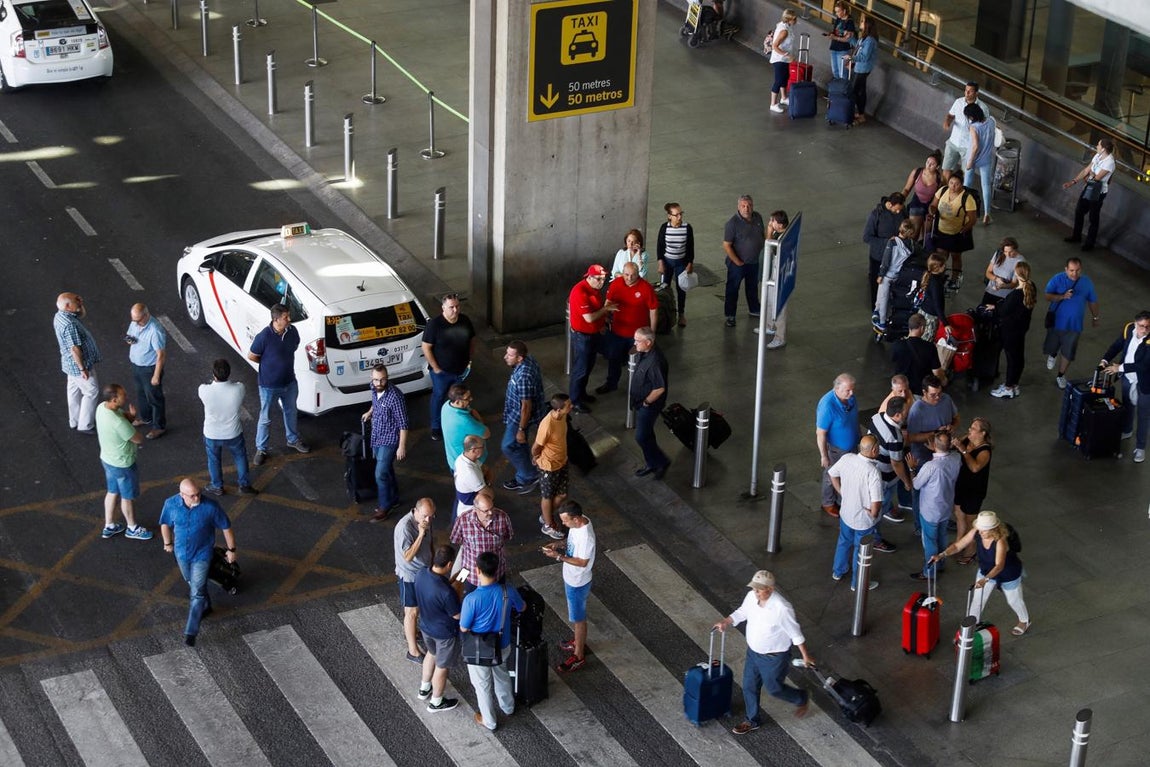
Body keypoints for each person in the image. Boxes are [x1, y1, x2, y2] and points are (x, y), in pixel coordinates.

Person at [715, 570, 814, 735]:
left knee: (774, 688)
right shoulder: (751, 597)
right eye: (754, 588)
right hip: (753, 653)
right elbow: (742, 612)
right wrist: (726, 621)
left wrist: (805, 656)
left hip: (774, 658)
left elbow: (795, 634)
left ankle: (800, 697)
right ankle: (752, 720)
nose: (755, 591)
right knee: (749, 686)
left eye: (759, 589)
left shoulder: (782, 608)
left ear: (771, 589)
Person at [159, 478, 236, 647]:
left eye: (198, 494)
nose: (197, 498)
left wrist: (231, 550)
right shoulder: (171, 504)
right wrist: (167, 543)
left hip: (202, 555)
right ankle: (206, 606)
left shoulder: (211, 507)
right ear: (182, 495)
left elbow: (226, 526)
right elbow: (164, 523)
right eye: (192, 496)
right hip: (181, 555)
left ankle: (191, 631)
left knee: (197, 591)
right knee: (191, 581)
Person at [931, 511, 1030, 636]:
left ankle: (1024, 621)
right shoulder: (977, 531)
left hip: (1008, 573)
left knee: (1014, 600)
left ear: (993, 529)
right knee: (977, 600)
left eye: (984, 530)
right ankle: (972, 625)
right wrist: (942, 555)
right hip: (986, 570)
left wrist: (985, 580)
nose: (980, 532)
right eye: (979, 528)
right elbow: (958, 545)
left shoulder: (1000, 542)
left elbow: (999, 566)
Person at [460, 551, 525, 731]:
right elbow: (522, 607)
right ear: (497, 570)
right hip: (502, 645)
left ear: (477, 570)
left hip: (479, 649)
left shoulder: (471, 599)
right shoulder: (508, 590)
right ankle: (508, 707)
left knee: (482, 685)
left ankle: (489, 720)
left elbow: (464, 628)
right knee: (502, 674)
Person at [248, 303, 309, 465]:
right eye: (285, 317)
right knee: (265, 417)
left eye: (288, 316)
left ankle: (293, 439)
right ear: (276, 319)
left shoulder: (292, 332)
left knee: (291, 411)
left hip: (289, 381)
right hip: (268, 385)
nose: (289, 319)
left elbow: (294, 346)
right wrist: (268, 364)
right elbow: (252, 355)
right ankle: (261, 448)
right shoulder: (263, 337)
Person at [542, 500, 596, 673]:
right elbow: (572, 540)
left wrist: (558, 557)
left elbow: (582, 562)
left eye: (565, 521)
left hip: (578, 581)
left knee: (578, 618)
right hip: (571, 577)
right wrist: (558, 544)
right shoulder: (579, 524)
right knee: (576, 616)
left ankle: (579, 655)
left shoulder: (587, 538)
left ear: (577, 518)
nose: (563, 524)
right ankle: (577, 641)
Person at [829, 436, 888, 591]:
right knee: (861, 552)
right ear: (874, 450)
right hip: (864, 520)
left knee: (843, 542)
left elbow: (832, 473)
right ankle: (858, 583)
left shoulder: (847, 458)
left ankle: (838, 571)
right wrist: (874, 514)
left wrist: (841, 491)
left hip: (846, 513)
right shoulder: (873, 471)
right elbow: (876, 501)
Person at [95, 383, 153, 541]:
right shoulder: (118, 424)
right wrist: (132, 424)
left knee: (112, 491)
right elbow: (138, 439)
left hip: (107, 459)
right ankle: (132, 528)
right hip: (123, 464)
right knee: (127, 497)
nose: (126, 397)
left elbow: (123, 415)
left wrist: (131, 417)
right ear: (114, 400)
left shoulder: (102, 408)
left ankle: (109, 525)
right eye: (122, 396)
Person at [421, 293, 476, 442]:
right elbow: (426, 347)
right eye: (451, 307)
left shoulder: (465, 321)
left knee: (460, 399)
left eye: (457, 306)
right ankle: (436, 427)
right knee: (439, 398)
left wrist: (469, 359)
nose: (455, 310)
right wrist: (436, 368)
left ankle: (459, 423)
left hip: (461, 371)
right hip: (442, 373)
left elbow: (471, 340)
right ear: (443, 308)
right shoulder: (434, 325)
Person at [198, 358, 257, 496]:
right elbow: (238, 385)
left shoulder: (204, 390)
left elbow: (204, 387)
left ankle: (217, 485)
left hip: (212, 433)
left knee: (213, 459)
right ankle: (244, 485)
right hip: (233, 433)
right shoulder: (239, 388)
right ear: (229, 373)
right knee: (240, 457)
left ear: (214, 374)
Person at [415, 544, 463, 712]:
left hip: (426, 627)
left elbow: (438, 589)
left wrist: (456, 581)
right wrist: (457, 590)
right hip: (444, 633)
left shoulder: (421, 574)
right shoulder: (446, 593)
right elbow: (456, 615)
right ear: (450, 565)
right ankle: (437, 701)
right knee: (442, 667)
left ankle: (424, 688)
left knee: (431, 654)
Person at [1100, 310, 1150, 464]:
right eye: (1142, 326)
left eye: (1148, 326)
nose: (1145, 330)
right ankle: (1127, 430)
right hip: (1128, 378)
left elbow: (1143, 365)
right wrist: (1105, 359)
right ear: (1135, 324)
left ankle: (1140, 448)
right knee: (1127, 405)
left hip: (1145, 383)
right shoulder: (1128, 329)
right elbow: (1117, 346)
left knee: (1143, 415)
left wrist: (1119, 368)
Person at [1043, 258, 1100, 389]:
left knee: (1068, 351)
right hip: (1056, 322)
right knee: (1052, 345)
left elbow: (1092, 301)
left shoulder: (1086, 282)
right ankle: (1053, 353)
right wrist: (1062, 296)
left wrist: (1095, 317)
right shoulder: (1057, 279)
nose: (1074, 274)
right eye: (1071, 270)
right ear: (1066, 269)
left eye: (1077, 270)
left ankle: (1060, 375)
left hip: (1074, 325)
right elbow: (1047, 296)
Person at [599, 262, 657, 393]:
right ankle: (611, 383)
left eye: (633, 275)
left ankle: (639, 387)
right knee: (614, 359)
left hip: (638, 336)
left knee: (640, 363)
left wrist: (652, 333)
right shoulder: (616, 284)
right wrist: (604, 318)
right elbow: (607, 302)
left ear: (638, 274)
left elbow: (653, 310)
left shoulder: (646, 288)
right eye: (626, 274)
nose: (629, 278)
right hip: (617, 332)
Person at [361, 364, 408, 522]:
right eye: (375, 380)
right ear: (371, 378)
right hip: (377, 436)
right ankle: (393, 498)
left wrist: (401, 446)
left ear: (387, 378)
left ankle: (384, 507)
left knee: (380, 474)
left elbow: (403, 424)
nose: (378, 383)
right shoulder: (374, 387)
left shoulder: (395, 397)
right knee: (386, 469)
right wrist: (370, 412)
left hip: (390, 440)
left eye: (382, 380)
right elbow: (375, 401)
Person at [910, 431, 960, 581]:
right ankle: (941, 562)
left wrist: (912, 469)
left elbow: (916, 485)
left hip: (930, 510)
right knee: (942, 536)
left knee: (930, 541)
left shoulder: (930, 466)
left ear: (934, 445)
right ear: (950, 444)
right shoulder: (956, 458)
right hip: (946, 507)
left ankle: (929, 572)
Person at [567, 265, 615, 413]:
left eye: (604, 279)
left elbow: (595, 312)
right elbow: (589, 317)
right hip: (582, 336)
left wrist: (602, 324)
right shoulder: (580, 292)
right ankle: (574, 400)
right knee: (580, 369)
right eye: (599, 279)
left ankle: (582, 393)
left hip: (593, 334)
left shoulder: (594, 289)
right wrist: (607, 309)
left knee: (588, 366)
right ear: (589, 277)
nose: (601, 282)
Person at [394, 498, 436, 664]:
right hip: (410, 575)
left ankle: (413, 632)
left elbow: (430, 542)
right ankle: (413, 651)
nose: (428, 520)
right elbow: (408, 556)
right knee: (411, 612)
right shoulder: (404, 527)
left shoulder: (426, 521)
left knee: (415, 610)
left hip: (424, 571)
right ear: (416, 511)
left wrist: (432, 563)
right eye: (425, 516)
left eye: (431, 516)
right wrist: (420, 534)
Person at [54, 292, 102, 434]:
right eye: (76, 301)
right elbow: (75, 349)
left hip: (69, 364)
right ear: (68, 306)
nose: (79, 301)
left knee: (73, 391)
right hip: (79, 364)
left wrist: (80, 306)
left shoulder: (60, 316)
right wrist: (83, 369)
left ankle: (74, 420)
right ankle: (85, 424)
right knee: (91, 391)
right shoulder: (69, 325)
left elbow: (80, 315)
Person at [450, 488, 513, 593]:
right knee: (469, 597)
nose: (490, 512)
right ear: (476, 509)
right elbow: (455, 539)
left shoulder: (503, 517)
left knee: (498, 599)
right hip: (470, 572)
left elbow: (508, 536)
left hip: (497, 571)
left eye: (492, 508)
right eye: (486, 511)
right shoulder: (463, 520)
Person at [501, 341, 545, 492]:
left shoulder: (524, 376)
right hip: (516, 411)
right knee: (520, 444)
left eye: (510, 355)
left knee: (508, 446)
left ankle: (528, 475)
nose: (505, 357)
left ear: (519, 358)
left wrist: (521, 428)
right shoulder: (528, 359)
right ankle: (528, 468)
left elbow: (526, 406)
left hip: (519, 416)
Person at [815, 373, 860, 518]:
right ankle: (828, 502)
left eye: (852, 390)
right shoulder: (827, 405)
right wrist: (824, 456)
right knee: (831, 474)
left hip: (852, 445)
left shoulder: (850, 398)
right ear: (837, 389)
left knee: (847, 475)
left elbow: (855, 417)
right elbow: (820, 433)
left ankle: (843, 499)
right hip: (836, 449)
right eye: (848, 390)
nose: (852, 393)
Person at [990, 262, 1037, 399]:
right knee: (1018, 357)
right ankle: (1015, 384)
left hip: (1010, 331)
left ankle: (1008, 387)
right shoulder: (1031, 287)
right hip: (1021, 329)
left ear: (1017, 274)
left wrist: (995, 308)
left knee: (1011, 358)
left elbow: (1003, 311)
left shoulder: (1016, 295)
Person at [1063, 138, 1116, 252]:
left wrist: (1090, 176)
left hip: (1098, 192)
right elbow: (1087, 170)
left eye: (1098, 145)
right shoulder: (1097, 156)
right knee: (1079, 211)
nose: (1097, 146)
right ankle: (1076, 236)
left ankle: (1089, 243)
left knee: (1093, 217)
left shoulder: (1110, 163)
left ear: (1104, 149)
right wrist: (1073, 181)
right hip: (1089, 187)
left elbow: (1096, 178)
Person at [630, 327, 670, 479]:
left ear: (648, 342)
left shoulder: (655, 361)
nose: (635, 343)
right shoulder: (645, 352)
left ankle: (660, 462)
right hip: (641, 403)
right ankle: (652, 462)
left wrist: (646, 402)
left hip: (648, 406)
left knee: (641, 436)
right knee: (647, 435)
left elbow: (659, 388)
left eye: (637, 341)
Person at [952, 417, 993, 563]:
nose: (970, 430)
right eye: (971, 427)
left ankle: (971, 551)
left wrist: (963, 451)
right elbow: (954, 446)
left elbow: (975, 467)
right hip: (962, 484)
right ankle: (959, 543)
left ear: (982, 433)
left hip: (974, 491)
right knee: (959, 515)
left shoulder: (984, 451)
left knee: (970, 522)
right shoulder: (967, 440)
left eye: (974, 428)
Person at [533, 394, 573, 539]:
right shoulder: (547, 425)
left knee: (562, 494)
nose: (571, 407)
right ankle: (548, 525)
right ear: (558, 409)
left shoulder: (562, 417)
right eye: (568, 406)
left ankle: (546, 515)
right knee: (547, 496)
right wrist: (536, 457)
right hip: (548, 466)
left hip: (562, 461)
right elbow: (536, 447)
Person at [722, 194, 766, 327]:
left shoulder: (758, 217)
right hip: (738, 264)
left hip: (753, 262)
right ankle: (730, 315)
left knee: (752, 287)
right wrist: (736, 261)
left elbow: (762, 235)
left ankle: (754, 309)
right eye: (743, 206)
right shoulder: (732, 224)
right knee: (733, 289)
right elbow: (727, 245)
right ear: (738, 207)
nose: (746, 208)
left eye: (749, 205)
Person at [928, 175, 978, 292]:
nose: (953, 186)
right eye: (951, 183)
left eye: (956, 184)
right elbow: (933, 205)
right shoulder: (943, 190)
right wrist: (932, 212)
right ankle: (940, 277)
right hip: (942, 230)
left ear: (962, 184)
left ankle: (955, 279)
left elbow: (972, 219)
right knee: (941, 256)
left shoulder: (967, 198)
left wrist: (963, 230)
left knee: (956, 256)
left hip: (957, 233)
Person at [125, 303, 167, 440]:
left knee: (155, 398)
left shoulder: (155, 330)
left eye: (138, 320)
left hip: (150, 369)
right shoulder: (135, 323)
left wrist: (156, 375)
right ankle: (146, 418)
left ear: (146, 315)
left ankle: (159, 427)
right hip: (137, 366)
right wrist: (129, 340)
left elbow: (161, 355)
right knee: (141, 394)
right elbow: (129, 335)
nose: (135, 323)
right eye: (134, 320)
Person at [870, 396, 913, 525]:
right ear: (897, 415)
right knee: (882, 499)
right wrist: (907, 482)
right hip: (885, 476)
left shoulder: (877, 417)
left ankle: (887, 508)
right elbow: (896, 463)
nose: (908, 413)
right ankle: (876, 536)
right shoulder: (895, 437)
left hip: (873, 466)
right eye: (906, 411)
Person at [862, 193, 908, 307]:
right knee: (876, 282)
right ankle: (875, 307)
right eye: (896, 210)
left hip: (895, 256)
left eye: (900, 210)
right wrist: (887, 242)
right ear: (890, 204)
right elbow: (867, 237)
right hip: (878, 256)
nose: (898, 213)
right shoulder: (876, 215)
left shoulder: (902, 211)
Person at [872, 218, 918, 331]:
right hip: (898, 275)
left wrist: (880, 275)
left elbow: (886, 261)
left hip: (887, 275)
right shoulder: (911, 245)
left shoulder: (892, 243)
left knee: (882, 298)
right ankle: (878, 313)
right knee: (887, 299)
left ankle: (881, 322)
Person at [907, 375, 960, 468]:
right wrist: (936, 433)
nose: (937, 397)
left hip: (944, 449)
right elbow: (911, 437)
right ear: (924, 392)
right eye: (933, 395)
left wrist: (953, 426)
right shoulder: (917, 409)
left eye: (939, 393)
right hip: (924, 454)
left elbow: (956, 418)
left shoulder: (946, 399)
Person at [656, 202, 695, 325]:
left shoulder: (687, 228)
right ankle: (665, 314)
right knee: (664, 288)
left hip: (681, 262)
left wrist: (690, 263)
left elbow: (690, 247)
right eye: (676, 215)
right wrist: (660, 263)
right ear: (669, 216)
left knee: (681, 288)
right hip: (667, 262)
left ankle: (681, 315)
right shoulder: (664, 228)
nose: (679, 217)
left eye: (680, 214)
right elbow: (660, 247)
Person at [941, 82, 987, 183]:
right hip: (953, 141)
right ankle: (943, 193)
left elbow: (985, 126)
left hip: (968, 147)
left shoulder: (983, 108)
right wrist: (947, 122)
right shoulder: (958, 102)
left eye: (970, 91)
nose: (967, 93)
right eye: (966, 90)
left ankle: (958, 195)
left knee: (965, 174)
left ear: (976, 93)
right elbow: (950, 115)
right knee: (946, 169)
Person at [760, 210, 792, 350]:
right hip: (774, 272)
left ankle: (780, 337)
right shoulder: (780, 233)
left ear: (779, 225)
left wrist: (768, 232)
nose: (770, 223)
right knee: (770, 300)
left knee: (779, 305)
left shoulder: (782, 239)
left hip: (780, 273)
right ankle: (769, 326)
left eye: (772, 221)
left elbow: (769, 246)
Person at [891, 315, 945, 396]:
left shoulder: (897, 345)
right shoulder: (929, 347)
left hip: (902, 390)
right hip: (920, 391)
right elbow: (936, 372)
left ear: (909, 327)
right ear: (922, 328)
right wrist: (944, 380)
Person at [441, 384, 489, 470]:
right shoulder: (465, 421)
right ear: (457, 402)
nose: (471, 399)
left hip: (453, 459)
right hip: (470, 465)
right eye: (467, 398)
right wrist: (480, 421)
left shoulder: (446, 406)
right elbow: (486, 434)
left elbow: (470, 410)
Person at [963, 103, 997, 225]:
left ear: (971, 116)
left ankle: (964, 210)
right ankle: (987, 213)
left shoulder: (974, 127)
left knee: (967, 185)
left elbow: (975, 146)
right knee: (986, 186)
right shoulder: (991, 121)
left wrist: (970, 162)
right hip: (986, 158)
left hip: (973, 158)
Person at [901, 150, 943, 241]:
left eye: (932, 164)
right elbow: (906, 189)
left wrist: (933, 209)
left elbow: (939, 197)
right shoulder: (917, 172)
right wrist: (899, 199)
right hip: (917, 203)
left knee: (927, 236)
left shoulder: (940, 178)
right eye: (927, 162)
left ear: (938, 167)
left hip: (930, 205)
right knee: (913, 234)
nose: (928, 165)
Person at [767, 9, 797, 114]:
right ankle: (773, 104)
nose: (796, 20)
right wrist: (786, 55)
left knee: (785, 77)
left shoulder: (786, 26)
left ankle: (783, 98)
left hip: (784, 59)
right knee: (779, 80)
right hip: (779, 59)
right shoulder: (784, 31)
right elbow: (774, 46)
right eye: (794, 19)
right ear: (789, 19)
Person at [847, 14, 876, 124]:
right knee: (860, 91)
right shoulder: (864, 38)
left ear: (867, 25)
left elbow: (864, 57)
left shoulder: (870, 41)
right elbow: (858, 47)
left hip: (863, 69)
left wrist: (851, 58)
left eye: (863, 21)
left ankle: (850, 113)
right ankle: (861, 114)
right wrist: (850, 38)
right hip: (859, 68)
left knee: (853, 91)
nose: (861, 23)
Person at [980, 238, 1026, 307]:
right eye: (1005, 251)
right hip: (990, 291)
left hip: (1004, 297)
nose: (1008, 254)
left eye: (1011, 251)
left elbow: (1013, 284)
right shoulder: (998, 253)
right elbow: (988, 272)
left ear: (1016, 248)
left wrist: (1002, 286)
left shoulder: (1020, 262)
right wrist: (996, 279)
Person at [915, 253, 948, 343]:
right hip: (931, 317)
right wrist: (945, 323)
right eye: (943, 265)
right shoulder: (936, 284)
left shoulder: (929, 276)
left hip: (923, 311)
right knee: (926, 341)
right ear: (937, 267)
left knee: (917, 338)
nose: (945, 266)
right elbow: (937, 305)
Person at [453, 435, 488, 517]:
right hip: (471, 508)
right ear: (474, 450)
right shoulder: (469, 472)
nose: (484, 449)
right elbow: (487, 493)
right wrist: (489, 486)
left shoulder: (462, 458)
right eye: (482, 447)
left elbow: (485, 468)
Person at [826, 0, 856, 80]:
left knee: (842, 73)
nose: (836, 13)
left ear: (844, 11)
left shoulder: (850, 22)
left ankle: (842, 90)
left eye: (838, 11)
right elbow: (835, 31)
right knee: (835, 71)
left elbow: (848, 39)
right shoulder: (838, 19)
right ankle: (836, 90)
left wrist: (835, 37)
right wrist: (831, 34)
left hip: (843, 50)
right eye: (836, 12)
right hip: (834, 48)